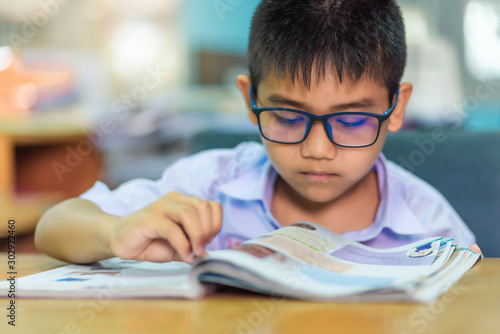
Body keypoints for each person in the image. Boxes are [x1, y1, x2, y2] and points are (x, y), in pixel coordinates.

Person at [35, 0, 481, 264]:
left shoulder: (430, 225)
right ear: (250, 100)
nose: (318, 149)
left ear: (396, 107)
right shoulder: (208, 184)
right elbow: (52, 226)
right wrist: (113, 233)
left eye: (349, 120)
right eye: (288, 117)